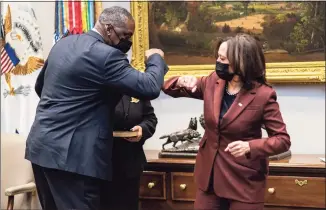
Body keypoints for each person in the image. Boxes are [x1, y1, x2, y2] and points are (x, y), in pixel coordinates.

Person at [25, 6, 168, 210]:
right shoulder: (105, 55)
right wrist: (156, 58)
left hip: (41, 149)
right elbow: (150, 87)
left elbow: (41, 87)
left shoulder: (63, 44)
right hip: (74, 158)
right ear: (108, 28)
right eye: (125, 35)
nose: (127, 41)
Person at [162, 34, 291, 210]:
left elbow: (282, 140)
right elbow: (170, 88)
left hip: (244, 183)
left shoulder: (263, 95)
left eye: (223, 59)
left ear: (241, 62)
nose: (218, 62)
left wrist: (250, 147)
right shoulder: (212, 81)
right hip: (209, 180)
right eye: (218, 57)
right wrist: (181, 80)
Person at [101, 95, 157, 210]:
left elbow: (150, 119)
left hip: (131, 164)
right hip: (101, 164)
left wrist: (142, 128)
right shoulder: (99, 85)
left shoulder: (137, 88)